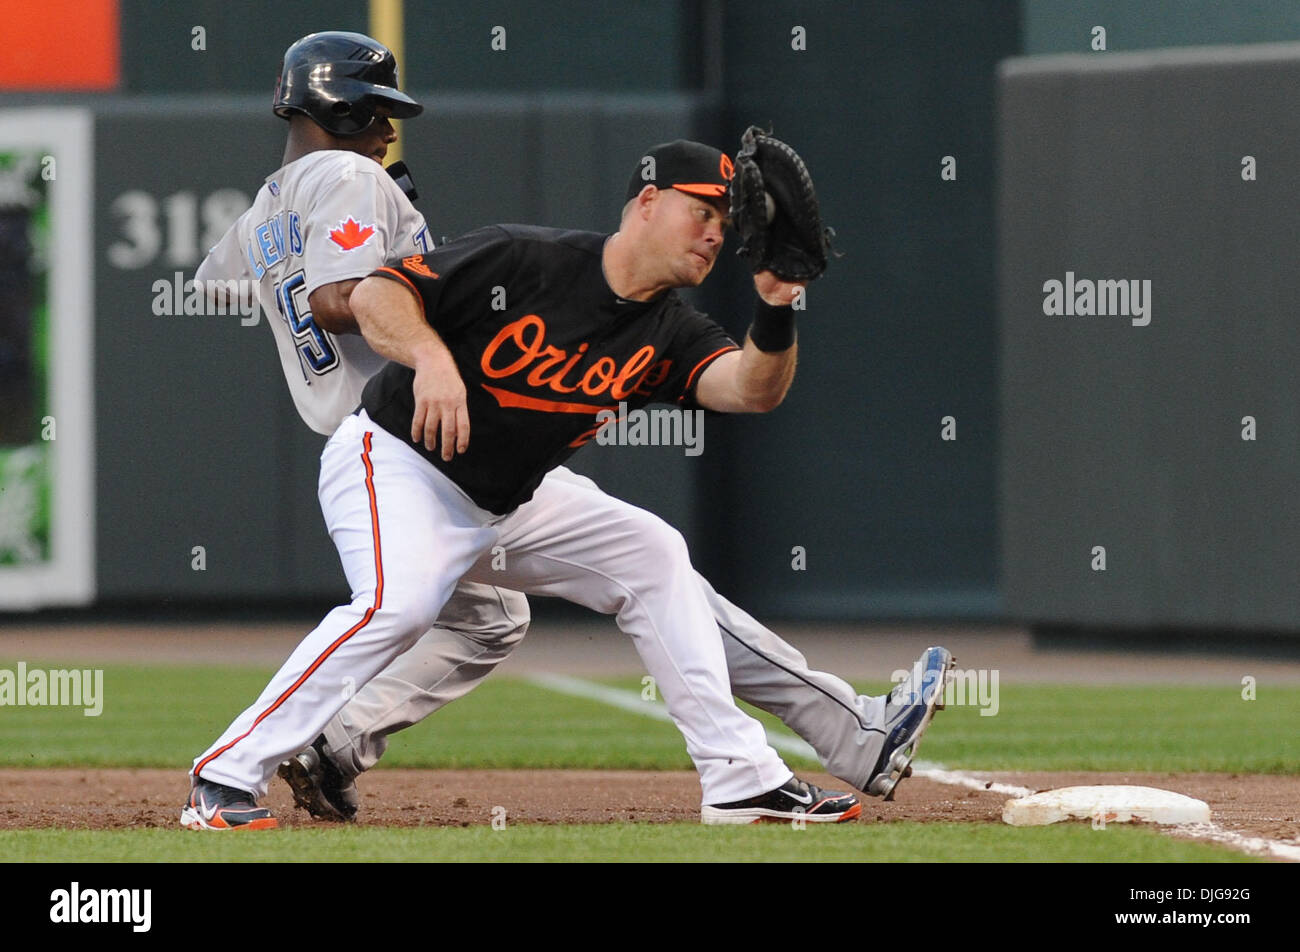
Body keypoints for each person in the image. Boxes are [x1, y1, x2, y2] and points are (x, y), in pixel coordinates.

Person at [183, 30, 951, 830]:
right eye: (702, 210)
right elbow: (365, 295)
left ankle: (742, 778)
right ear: (646, 202)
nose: (717, 231)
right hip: (397, 454)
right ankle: (224, 778)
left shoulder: (670, 328)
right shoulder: (515, 254)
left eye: (727, 220)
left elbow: (749, 392)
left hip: (502, 493)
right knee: (399, 604)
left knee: (647, 558)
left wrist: (778, 302)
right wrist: (430, 351)